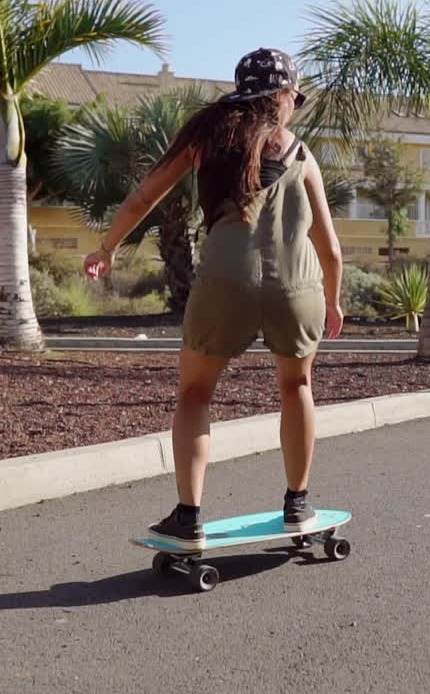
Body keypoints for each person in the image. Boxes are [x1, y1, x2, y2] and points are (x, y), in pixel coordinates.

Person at [83, 48, 344, 551]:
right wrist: (333, 301)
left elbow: (144, 197)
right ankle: (298, 502)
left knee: (195, 394)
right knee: (297, 387)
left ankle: (189, 515)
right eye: (295, 96)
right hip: (299, 286)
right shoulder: (303, 154)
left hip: (226, 281)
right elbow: (329, 247)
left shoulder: (207, 140)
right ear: (283, 96)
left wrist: (107, 246)